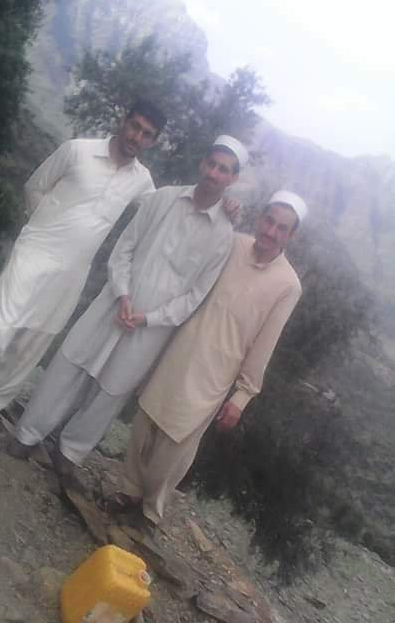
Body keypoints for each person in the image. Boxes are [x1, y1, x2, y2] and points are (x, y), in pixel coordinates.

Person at [0, 98, 167, 450]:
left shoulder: (141, 181)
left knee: (35, 337)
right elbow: (34, 186)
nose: (136, 137)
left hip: (74, 271)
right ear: (123, 121)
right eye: (135, 126)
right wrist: (43, 228)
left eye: (146, 134)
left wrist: (223, 206)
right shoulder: (78, 151)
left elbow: (165, 211)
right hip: (35, 252)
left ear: (152, 142)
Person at [7, 136, 249, 488]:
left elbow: (195, 296)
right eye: (211, 164)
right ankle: (28, 434)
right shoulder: (163, 198)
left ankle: (69, 454)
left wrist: (150, 318)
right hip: (114, 302)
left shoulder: (224, 236)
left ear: (232, 179)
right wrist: (122, 295)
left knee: (111, 392)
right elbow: (125, 248)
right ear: (202, 164)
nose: (214, 173)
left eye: (223, 170)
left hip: (151, 329)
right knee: (70, 365)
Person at [108, 190, 306, 528]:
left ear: (291, 236)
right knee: (145, 423)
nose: (271, 232)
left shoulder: (288, 284)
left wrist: (242, 397)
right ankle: (129, 491)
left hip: (217, 371)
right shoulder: (234, 243)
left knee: (177, 444)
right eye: (269, 221)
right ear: (260, 219)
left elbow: (266, 343)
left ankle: (151, 511)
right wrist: (224, 208)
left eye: (281, 228)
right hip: (179, 348)